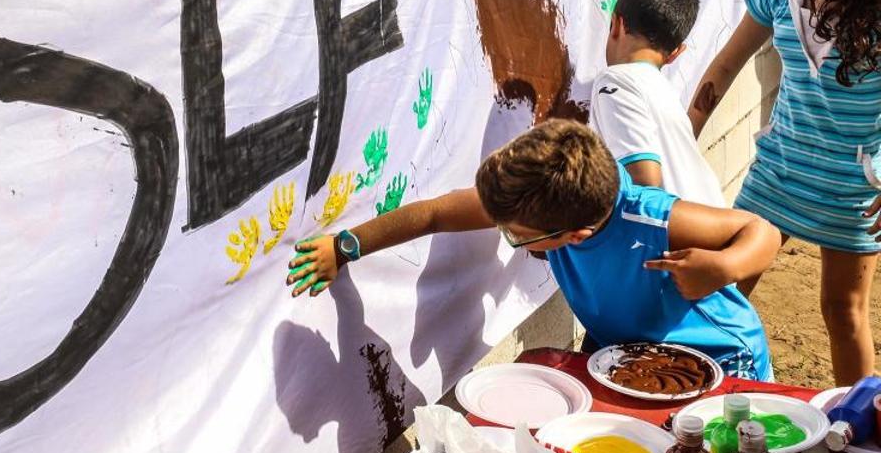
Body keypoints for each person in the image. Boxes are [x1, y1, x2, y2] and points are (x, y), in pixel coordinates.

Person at [286, 119, 781, 380]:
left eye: (515, 234)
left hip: (719, 362)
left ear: (574, 237)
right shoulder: (538, 200)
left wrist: (722, 267)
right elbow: (437, 212)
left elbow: (762, 231)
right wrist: (345, 246)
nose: (510, 237)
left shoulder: (650, 218)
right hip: (623, 357)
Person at [688, 0, 881, 385]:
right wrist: (685, 137)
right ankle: (707, 397)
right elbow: (723, 68)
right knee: (726, 292)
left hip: (852, 185)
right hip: (778, 174)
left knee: (842, 312)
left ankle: (857, 429)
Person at [592, 0, 725, 206]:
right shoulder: (660, 89)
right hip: (711, 220)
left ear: (616, 24)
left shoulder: (615, 81)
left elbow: (644, 179)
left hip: (675, 237)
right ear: (676, 53)